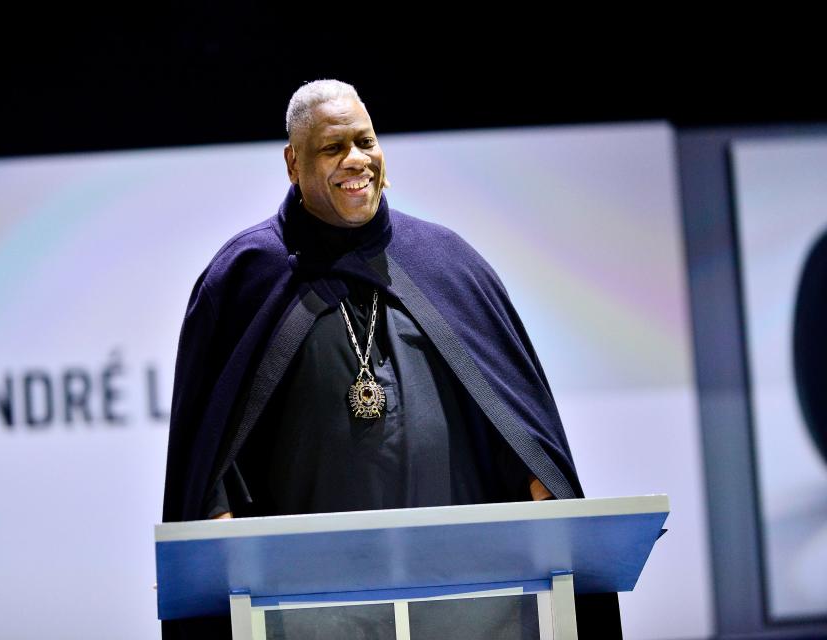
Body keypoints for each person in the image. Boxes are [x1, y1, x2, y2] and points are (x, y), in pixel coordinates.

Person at [162, 79, 620, 638]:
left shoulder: (448, 264)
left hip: (462, 601)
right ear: (292, 162)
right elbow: (211, 466)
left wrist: (544, 498)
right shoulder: (245, 278)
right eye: (333, 148)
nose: (356, 160)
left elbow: (521, 431)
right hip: (304, 611)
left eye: (366, 142)